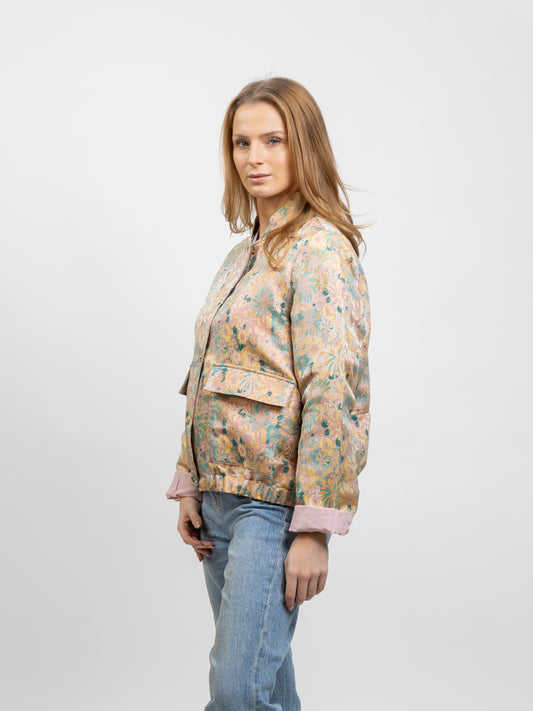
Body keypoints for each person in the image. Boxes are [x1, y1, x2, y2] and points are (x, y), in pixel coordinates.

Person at [166, 77, 371, 711]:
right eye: (241, 142)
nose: (254, 157)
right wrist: (190, 482)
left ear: (304, 146)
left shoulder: (322, 250)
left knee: (238, 691)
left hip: (271, 507)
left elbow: (333, 391)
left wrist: (315, 527)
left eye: (273, 141)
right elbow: (207, 373)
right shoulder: (241, 256)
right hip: (219, 502)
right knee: (263, 684)